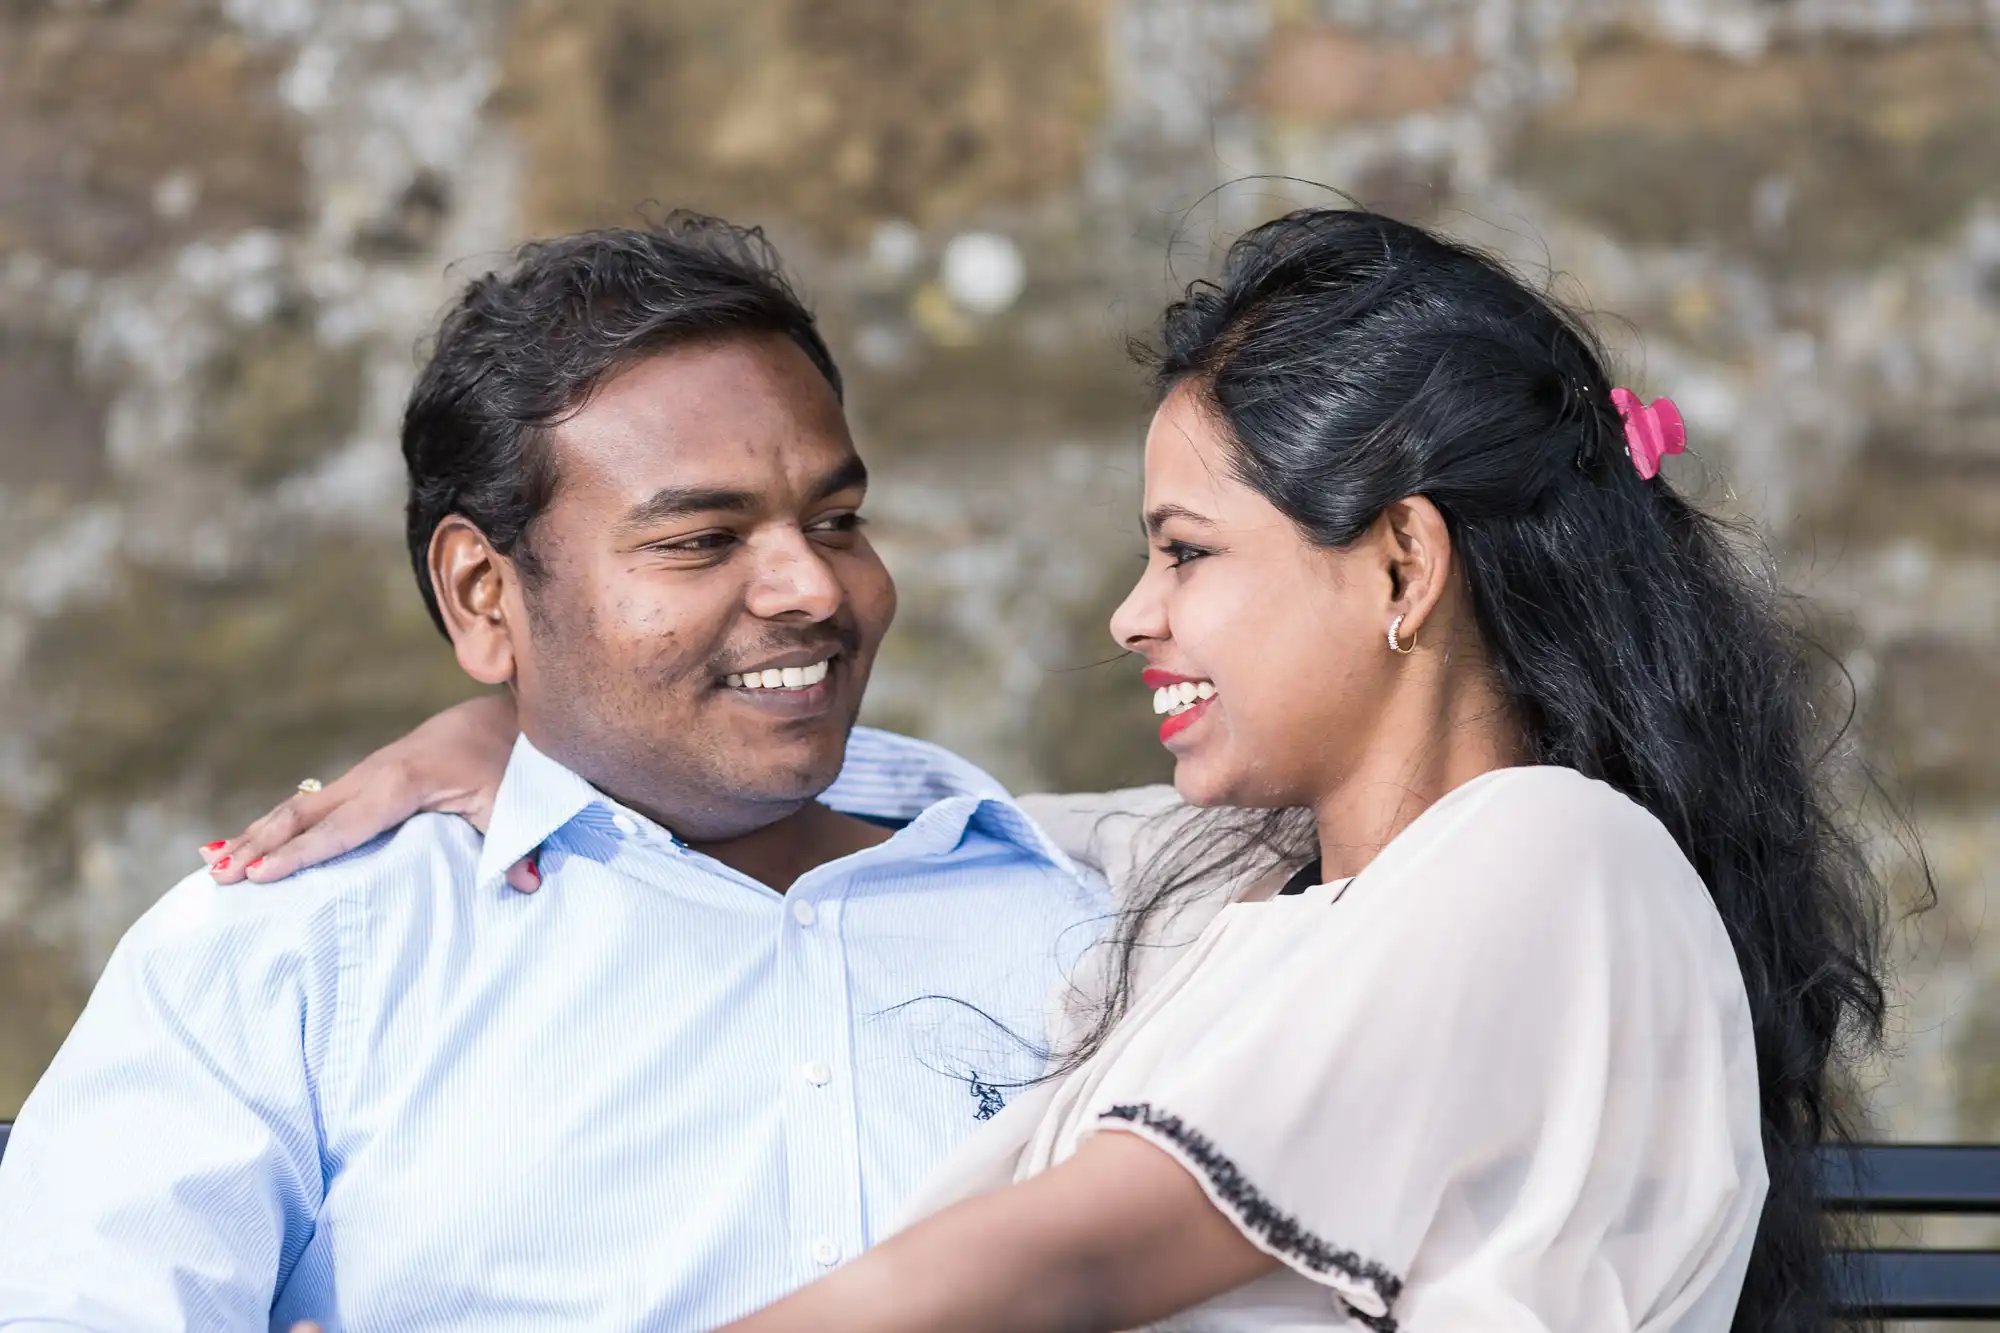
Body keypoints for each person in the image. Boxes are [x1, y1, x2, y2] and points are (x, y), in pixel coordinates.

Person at [217, 209, 1890, 1332]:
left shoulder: (1538, 857)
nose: (1131, 615)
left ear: (1398, 565)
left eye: (1186, 553)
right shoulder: (1265, 884)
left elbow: (1050, 1258)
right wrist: (513, 720)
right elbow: (935, 814)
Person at [0, 216, 1110, 1331]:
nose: (812, 588)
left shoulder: (1094, 913)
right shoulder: (292, 958)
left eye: (836, 520)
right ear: (484, 595)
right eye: (700, 540)